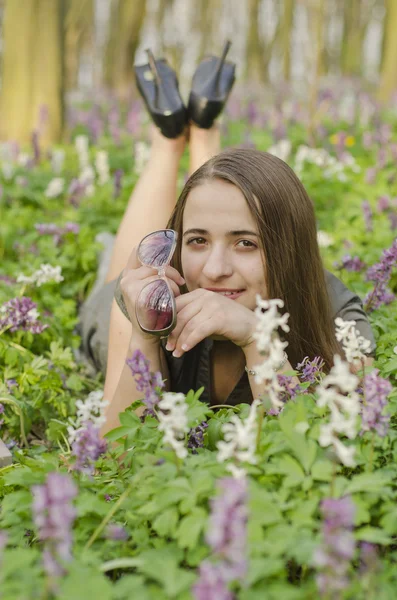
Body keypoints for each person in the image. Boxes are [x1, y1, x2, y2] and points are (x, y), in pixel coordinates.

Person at [78, 60, 375, 437]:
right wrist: (144, 334)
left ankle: (193, 134)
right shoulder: (147, 297)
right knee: (132, 265)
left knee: (214, 208)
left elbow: (312, 448)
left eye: (246, 244)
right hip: (125, 301)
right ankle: (173, 139)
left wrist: (256, 338)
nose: (215, 269)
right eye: (196, 240)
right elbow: (112, 459)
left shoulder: (337, 315)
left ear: (289, 248)